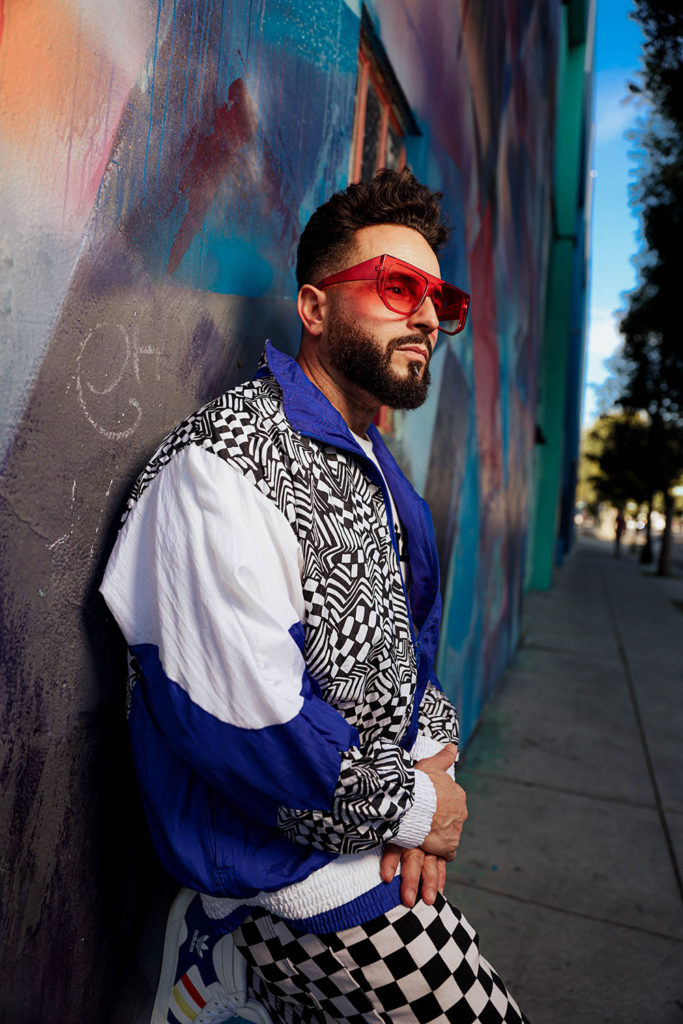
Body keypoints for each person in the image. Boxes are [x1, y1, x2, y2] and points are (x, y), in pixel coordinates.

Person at [100, 168, 529, 1024]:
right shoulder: (223, 464)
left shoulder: (373, 466)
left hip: (368, 845)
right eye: (395, 286)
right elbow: (246, 723)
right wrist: (414, 810)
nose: (423, 315)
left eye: (437, 297)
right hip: (291, 881)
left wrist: (433, 767)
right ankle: (222, 951)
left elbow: (405, 654)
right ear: (313, 306)